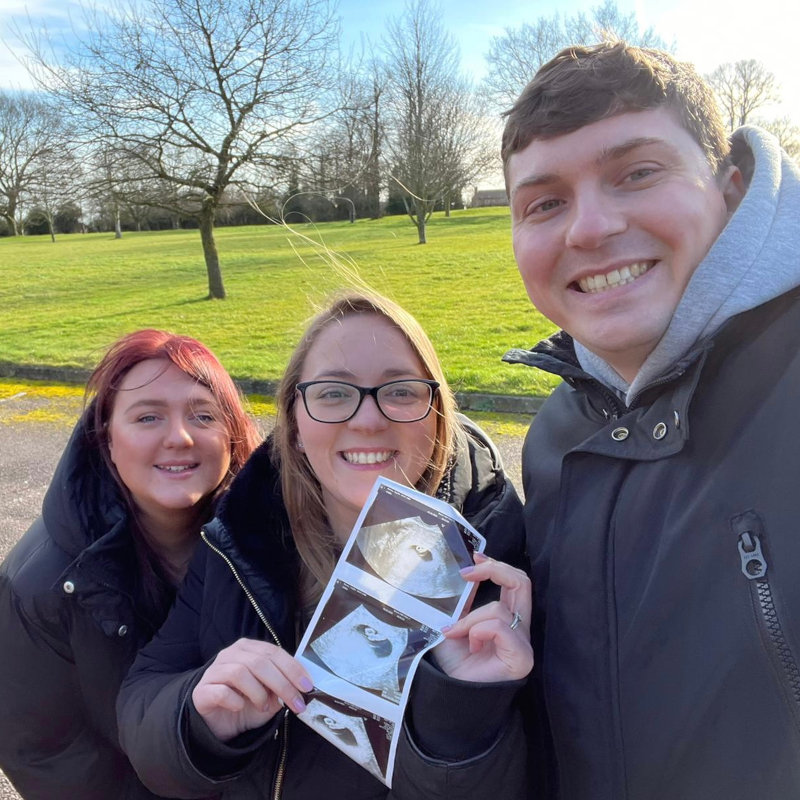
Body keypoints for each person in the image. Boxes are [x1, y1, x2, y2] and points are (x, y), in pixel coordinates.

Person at [498, 41, 800, 798]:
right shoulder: (558, 435)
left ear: (729, 187)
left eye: (637, 173)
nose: (589, 229)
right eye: (545, 203)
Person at [116, 290, 532, 798]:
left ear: (438, 414)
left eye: (401, 391)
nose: (368, 420)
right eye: (333, 393)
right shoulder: (242, 538)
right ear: (294, 423)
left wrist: (463, 710)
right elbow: (143, 703)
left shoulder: (498, 568)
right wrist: (199, 719)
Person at [0, 329, 260, 800]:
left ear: (233, 435)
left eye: (203, 415)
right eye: (147, 417)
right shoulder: (38, 584)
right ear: (107, 439)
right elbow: (47, 755)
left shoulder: (270, 540)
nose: (179, 437)